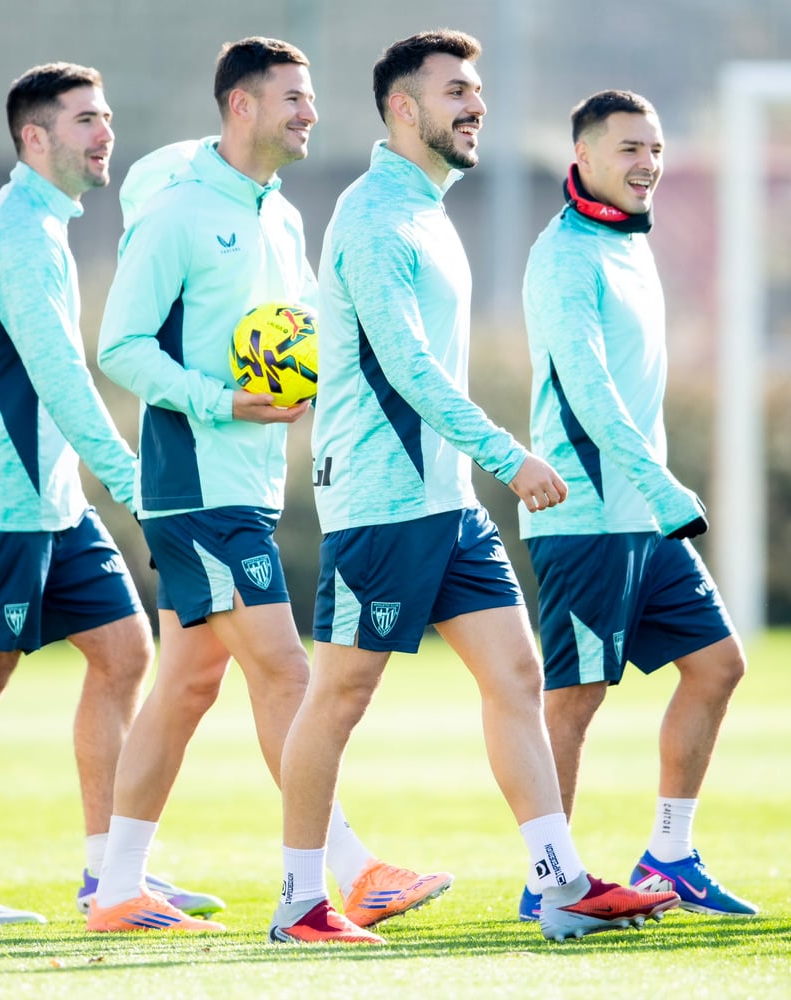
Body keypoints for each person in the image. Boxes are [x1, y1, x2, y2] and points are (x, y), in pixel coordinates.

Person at [269, 30, 681, 946]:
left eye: (477, 90)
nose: (477, 105)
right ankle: (300, 904)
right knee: (339, 696)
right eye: (456, 90)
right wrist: (510, 456)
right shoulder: (375, 215)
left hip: (445, 501)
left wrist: (476, 469)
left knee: (517, 675)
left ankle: (560, 885)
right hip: (382, 500)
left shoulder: (426, 209)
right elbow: (406, 365)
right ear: (403, 107)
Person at [88, 36, 452, 934]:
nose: (310, 113)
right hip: (195, 485)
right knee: (289, 672)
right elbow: (120, 346)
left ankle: (118, 887)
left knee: (186, 687)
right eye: (293, 98)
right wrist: (223, 401)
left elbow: (300, 339)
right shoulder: (178, 214)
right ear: (241, 105)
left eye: (311, 98)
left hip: (248, 482)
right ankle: (350, 873)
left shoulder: (283, 218)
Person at [517, 88, 756, 921]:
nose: (647, 163)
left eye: (654, 147)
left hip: (642, 515)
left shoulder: (628, 243)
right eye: (629, 148)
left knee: (718, 664)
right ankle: (549, 879)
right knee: (575, 699)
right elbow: (588, 391)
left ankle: (670, 857)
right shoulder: (564, 256)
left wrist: (652, 494)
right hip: (586, 517)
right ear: (581, 156)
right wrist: (661, 485)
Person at [0, 63, 221, 926]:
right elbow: (60, 380)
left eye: (107, 116)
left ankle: (110, 875)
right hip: (5, 506)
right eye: (85, 119)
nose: (105, 133)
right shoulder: (17, 233)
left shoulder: (44, 225)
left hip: (53, 501)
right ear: (35, 138)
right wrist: (140, 489)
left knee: (125, 655)